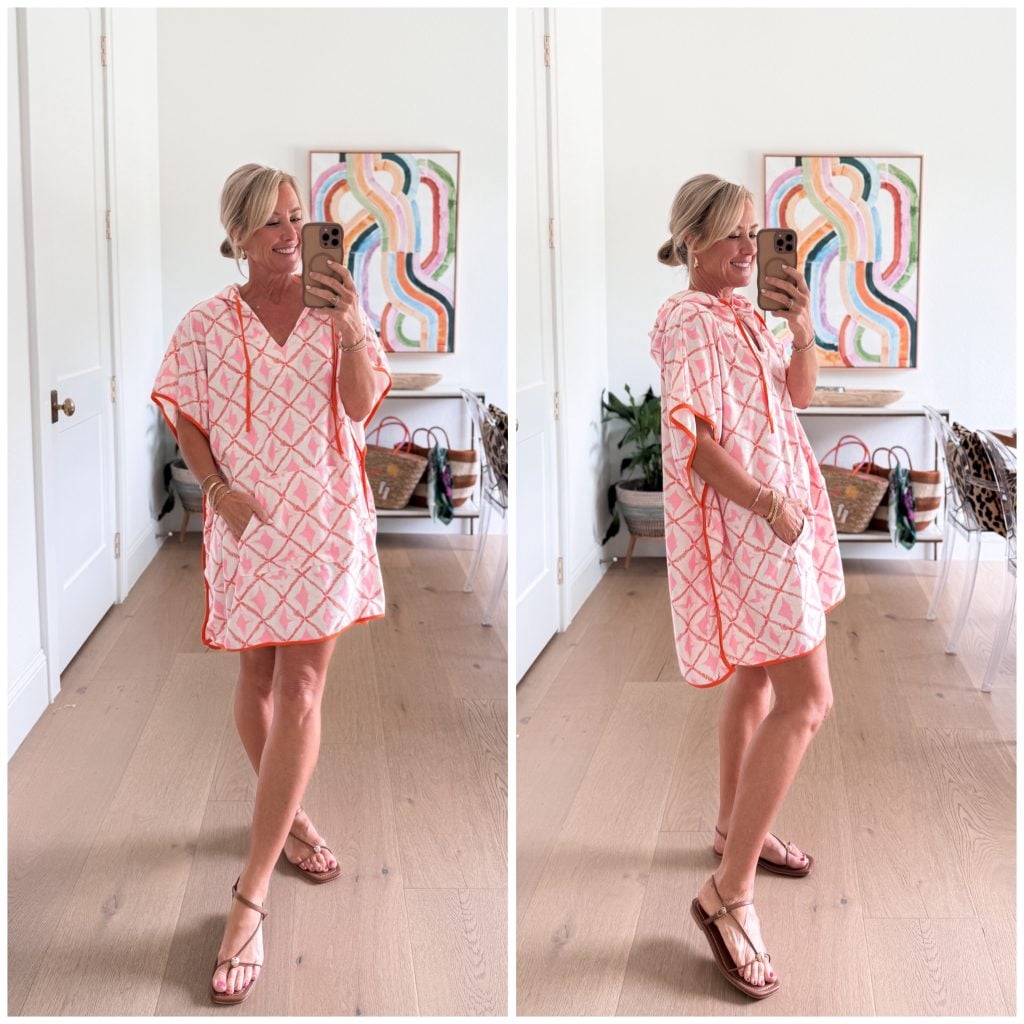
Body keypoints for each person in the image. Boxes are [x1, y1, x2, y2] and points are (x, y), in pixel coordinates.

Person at [151, 163, 392, 1004]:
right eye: (272, 221)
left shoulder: (336, 312)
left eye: (299, 217)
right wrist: (217, 490)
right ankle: (290, 819)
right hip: (247, 523)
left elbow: (360, 408)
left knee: (301, 690)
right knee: (256, 679)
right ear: (238, 235)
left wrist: (351, 324)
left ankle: (249, 895)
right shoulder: (204, 324)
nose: (291, 233)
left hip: (326, 519)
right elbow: (185, 415)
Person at [650, 174, 845, 998]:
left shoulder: (747, 316)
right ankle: (727, 894)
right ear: (692, 241)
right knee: (809, 699)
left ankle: (736, 829)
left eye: (753, 233)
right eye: (732, 234)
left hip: (778, 515)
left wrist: (800, 330)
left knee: (760, 680)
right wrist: (766, 504)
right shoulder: (688, 320)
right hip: (754, 523)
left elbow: (795, 397)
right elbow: (693, 445)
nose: (747, 248)